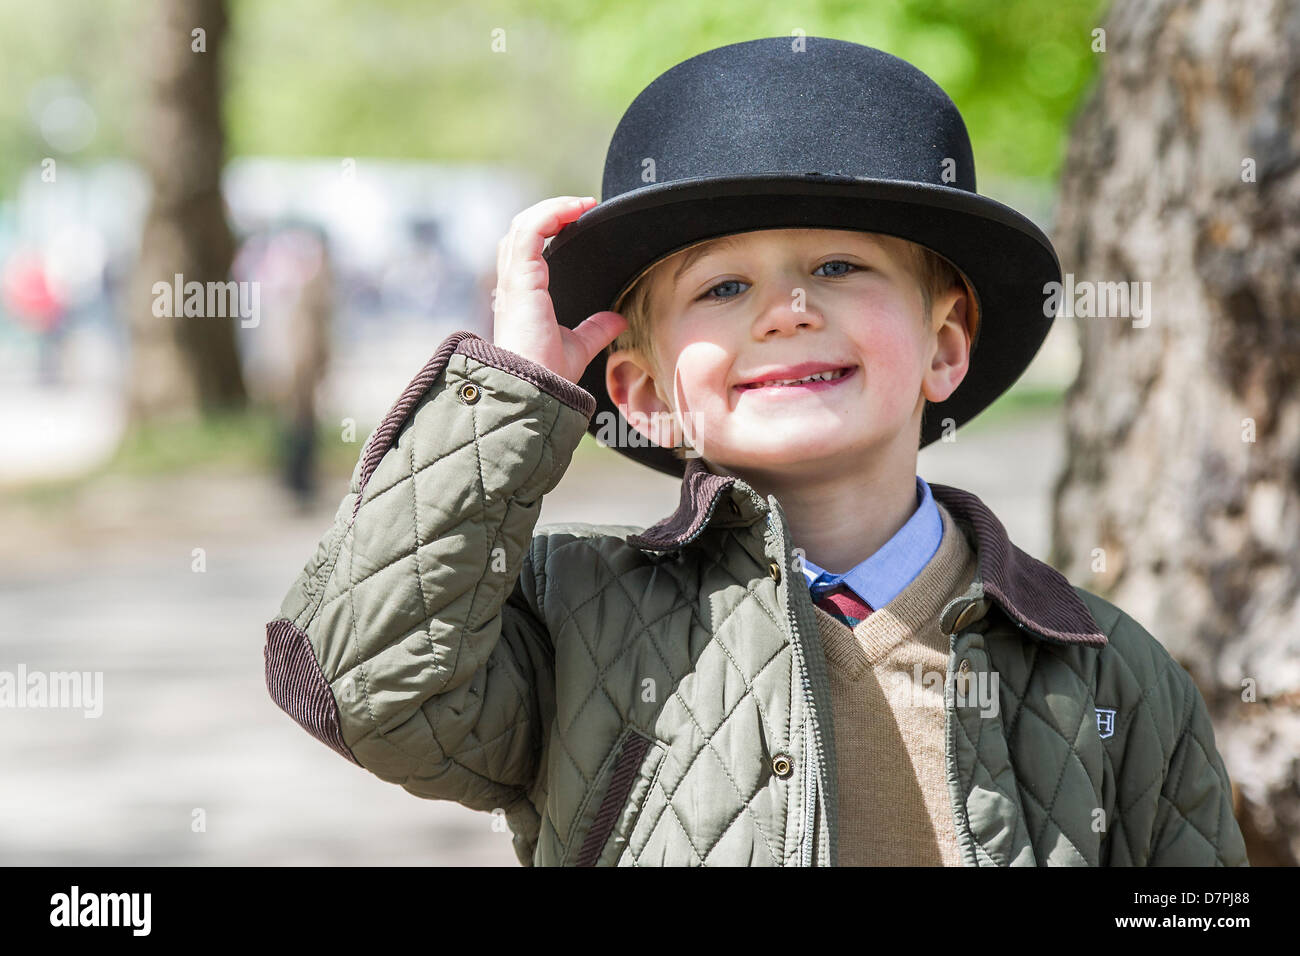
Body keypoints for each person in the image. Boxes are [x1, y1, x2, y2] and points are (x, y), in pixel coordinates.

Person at [263, 37, 1248, 866]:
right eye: (722, 288)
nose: (788, 311)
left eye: (837, 265)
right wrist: (513, 384)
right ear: (644, 392)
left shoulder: (1107, 671)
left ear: (944, 347)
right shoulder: (572, 617)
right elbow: (361, 682)